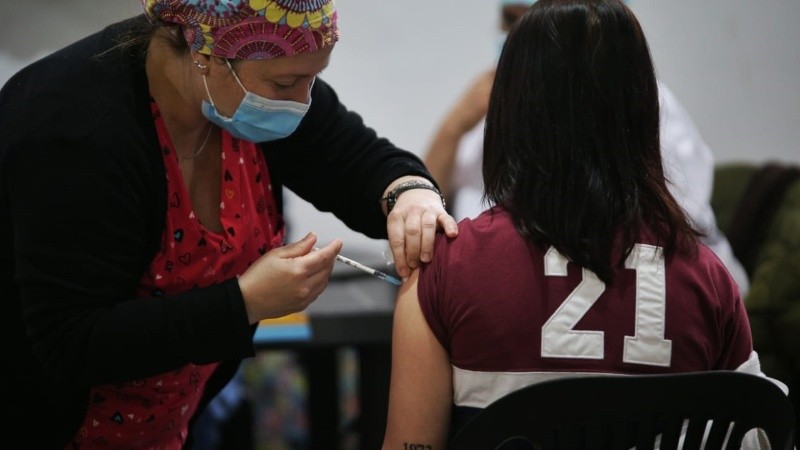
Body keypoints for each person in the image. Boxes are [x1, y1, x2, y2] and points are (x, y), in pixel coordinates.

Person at [0, 0, 457, 448]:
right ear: (204, 55)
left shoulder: (246, 92)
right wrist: (243, 304)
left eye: (314, 79)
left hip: (173, 418)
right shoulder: (74, 131)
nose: (304, 103)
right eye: (285, 84)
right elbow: (72, 342)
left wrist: (408, 191)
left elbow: (355, 159)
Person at [382, 1, 785, 449]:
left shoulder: (440, 275)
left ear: (512, 105)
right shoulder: (711, 284)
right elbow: (758, 428)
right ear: (642, 103)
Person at [423, 0, 750, 296]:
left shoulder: (641, 102)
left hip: (623, 289)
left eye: (539, 19)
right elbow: (435, 196)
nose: (521, 33)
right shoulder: (494, 101)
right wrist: (456, 123)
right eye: (512, 20)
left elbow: (668, 225)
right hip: (509, 282)